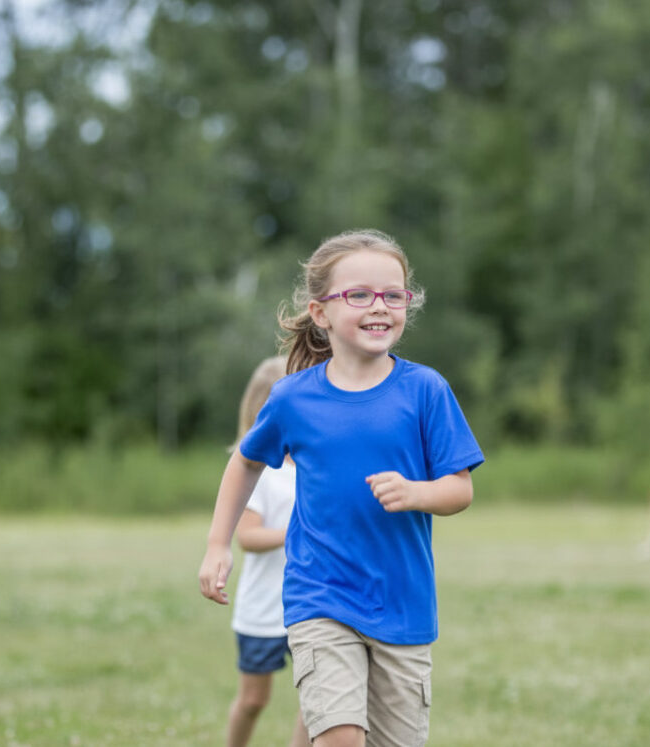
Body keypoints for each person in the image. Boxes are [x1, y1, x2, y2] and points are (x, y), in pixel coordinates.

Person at [199, 229, 484, 747]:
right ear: (321, 312)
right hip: (320, 598)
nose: (379, 307)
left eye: (392, 295)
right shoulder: (292, 399)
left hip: (404, 609)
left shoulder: (425, 390)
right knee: (338, 739)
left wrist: (417, 493)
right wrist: (219, 544)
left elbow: (459, 489)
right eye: (359, 295)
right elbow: (244, 463)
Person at [226, 356, 310, 747]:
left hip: (310, 604)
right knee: (253, 700)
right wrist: (296, 532)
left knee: (318, 699)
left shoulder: (314, 464)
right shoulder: (256, 469)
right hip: (262, 609)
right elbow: (248, 538)